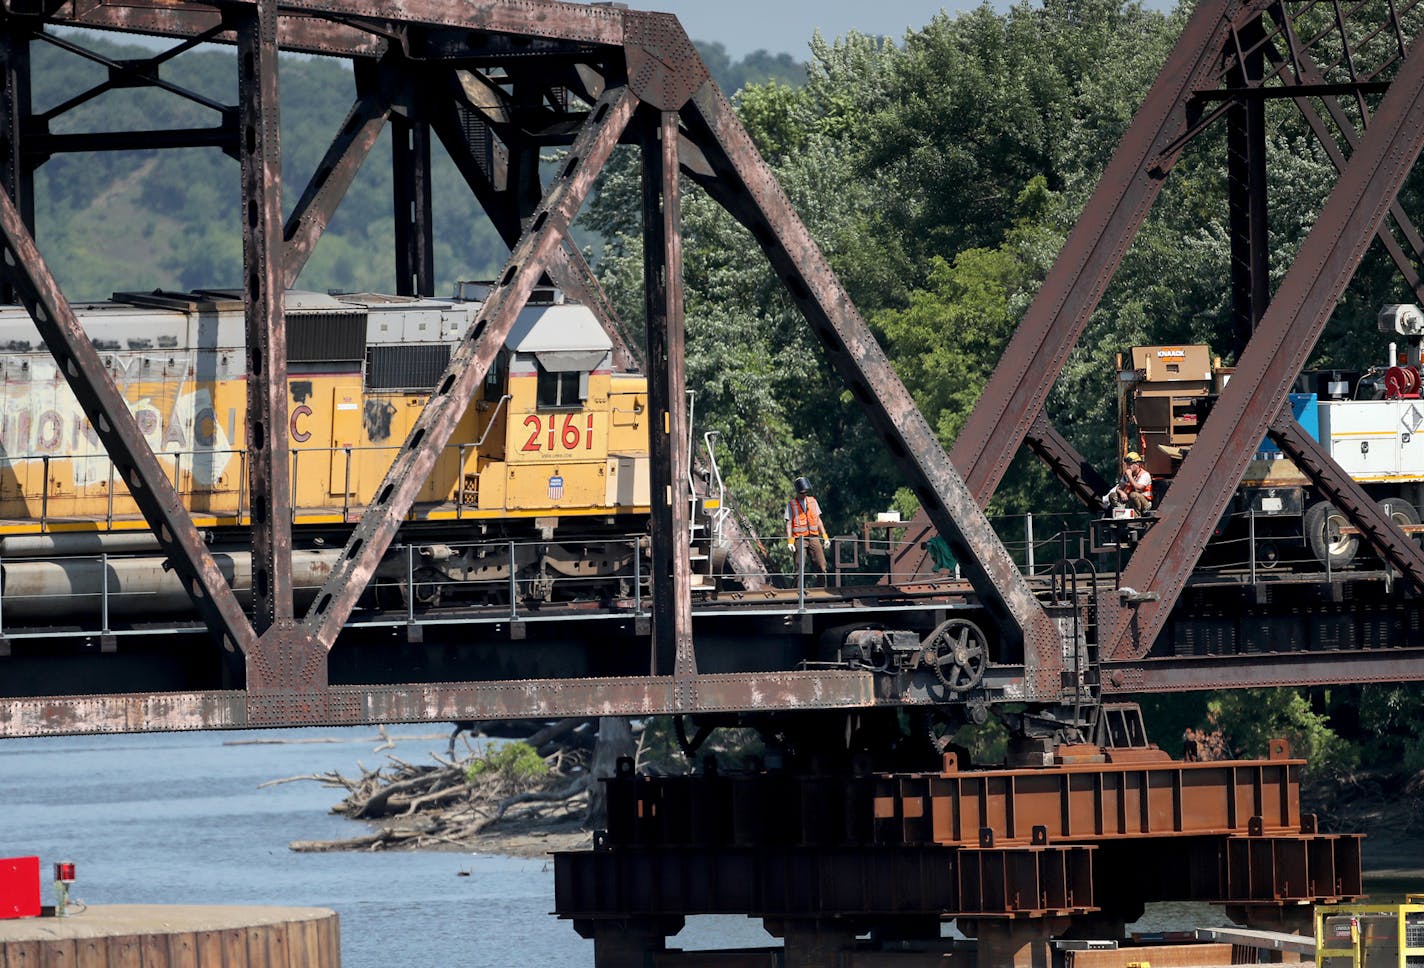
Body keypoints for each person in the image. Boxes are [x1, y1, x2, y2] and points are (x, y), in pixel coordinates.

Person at [785, 476, 831, 578]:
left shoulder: (813, 501)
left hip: (814, 537)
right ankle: (797, 592)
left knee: (822, 565)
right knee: (799, 567)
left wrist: (825, 538)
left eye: (806, 492)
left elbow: (818, 521)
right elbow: (789, 524)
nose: (804, 494)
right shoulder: (791, 504)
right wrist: (790, 542)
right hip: (799, 539)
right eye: (802, 493)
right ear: (797, 492)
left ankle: (821, 590)